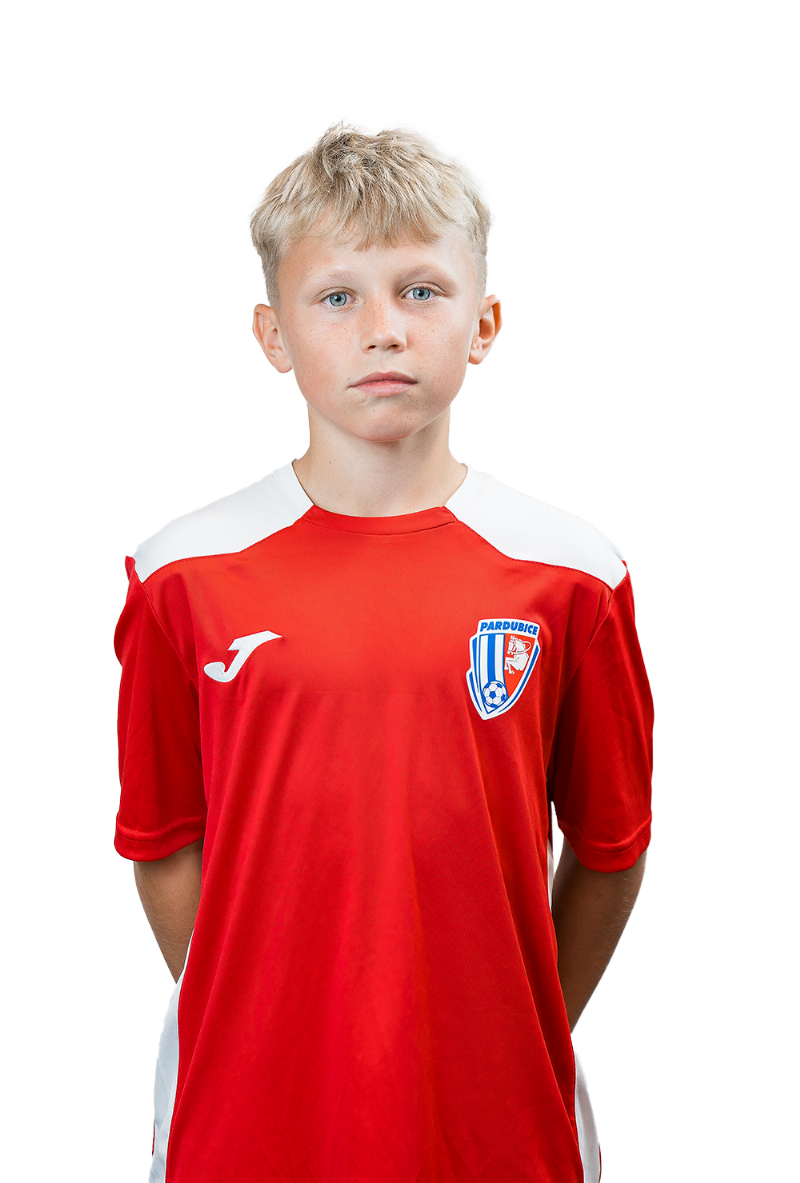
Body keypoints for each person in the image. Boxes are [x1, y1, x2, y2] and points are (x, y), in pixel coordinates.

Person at [113, 115, 653, 1183]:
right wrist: (259, 1009)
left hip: (494, 1127)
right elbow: (163, 843)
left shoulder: (571, 576)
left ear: (483, 323)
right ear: (273, 335)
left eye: (420, 290)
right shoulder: (181, 574)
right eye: (336, 297)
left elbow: (608, 846)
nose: (382, 331)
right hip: (249, 1124)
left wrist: (513, 1022)